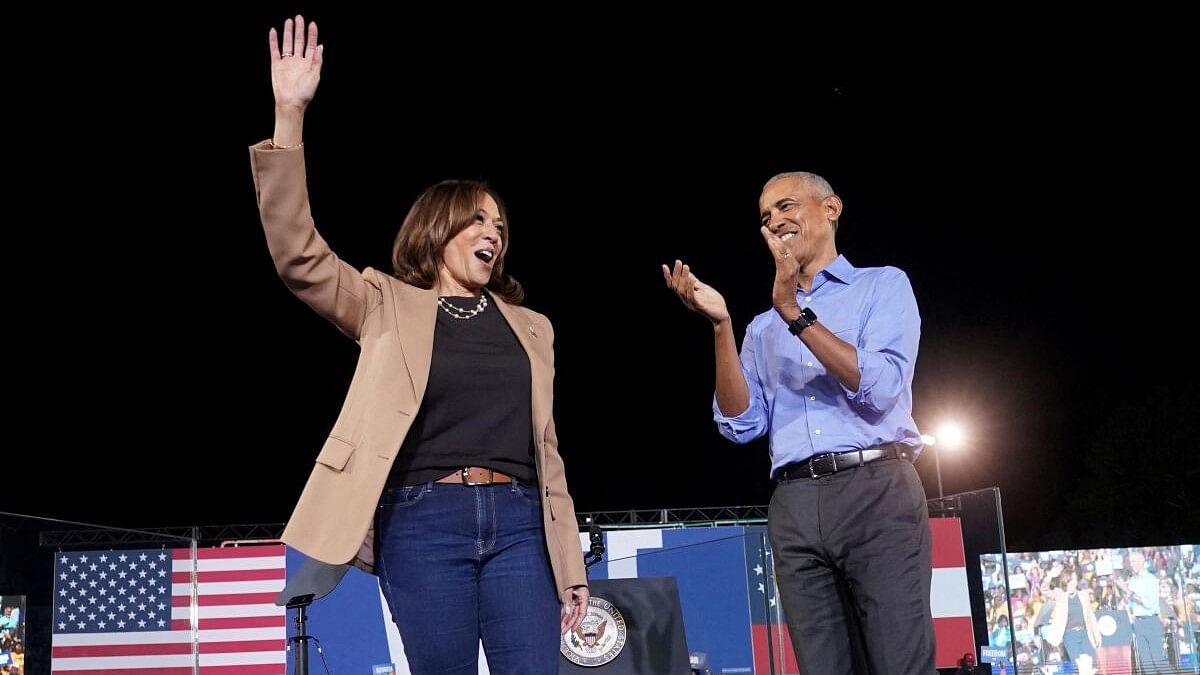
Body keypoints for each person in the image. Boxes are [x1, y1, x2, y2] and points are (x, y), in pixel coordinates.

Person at [249, 15, 588, 673]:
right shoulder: (385, 303)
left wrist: (569, 563)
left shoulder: (532, 327)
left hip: (521, 525)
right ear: (438, 228)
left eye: (501, 224)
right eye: (478, 218)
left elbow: (548, 455)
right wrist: (288, 116)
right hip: (424, 523)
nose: (494, 232)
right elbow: (298, 254)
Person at [663, 172, 932, 674]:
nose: (775, 221)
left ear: (832, 208)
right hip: (795, 502)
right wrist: (722, 326)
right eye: (766, 217)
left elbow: (884, 388)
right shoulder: (761, 328)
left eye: (787, 206)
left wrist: (794, 312)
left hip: (876, 488)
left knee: (900, 661)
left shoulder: (882, 285)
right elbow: (740, 425)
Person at [1042, 569, 1100, 674]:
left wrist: (1097, 635)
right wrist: (1049, 576)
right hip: (1069, 635)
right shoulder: (1059, 594)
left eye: (1074, 579)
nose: (1073, 582)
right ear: (1065, 581)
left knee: (1092, 663)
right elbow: (1044, 590)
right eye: (1070, 580)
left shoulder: (1083, 594)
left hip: (1084, 633)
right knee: (1078, 665)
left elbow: (1090, 616)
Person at [1119, 550, 1169, 672]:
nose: (1131, 564)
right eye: (1130, 562)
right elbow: (1131, 602)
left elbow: (1148, 603)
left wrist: (1128, 591)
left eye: (1134, 561)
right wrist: (1123, 597)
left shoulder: (1150, 579)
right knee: (1146, 663)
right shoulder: (1133, 580)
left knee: (1159, 661)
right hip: (1138, 623)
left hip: (1151, 621)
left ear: (1142, 562)